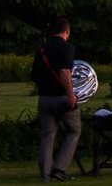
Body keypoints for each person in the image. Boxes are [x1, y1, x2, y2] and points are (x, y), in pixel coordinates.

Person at [31, 18, 83, 181]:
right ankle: (59, 168)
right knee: (74, 130)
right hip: (61, 98)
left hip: (44, 98)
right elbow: (65, 72)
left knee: (48, 135)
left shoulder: (42, 49)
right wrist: (70, 95)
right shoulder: (66, 47)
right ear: (66, 31)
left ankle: (45, 176)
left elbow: (34, 75)